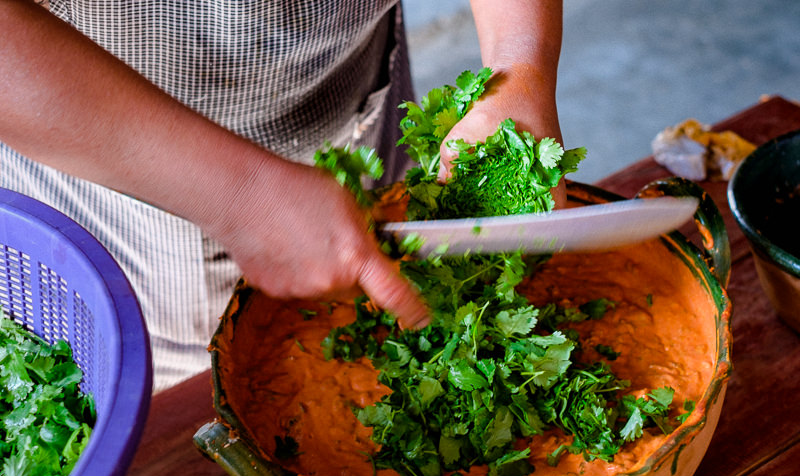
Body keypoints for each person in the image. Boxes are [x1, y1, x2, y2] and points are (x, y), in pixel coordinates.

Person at [0, 0, 564, 391]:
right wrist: (239, 195)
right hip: (126, 185)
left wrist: (520, 62)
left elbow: (519, 60)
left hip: (363, 103)